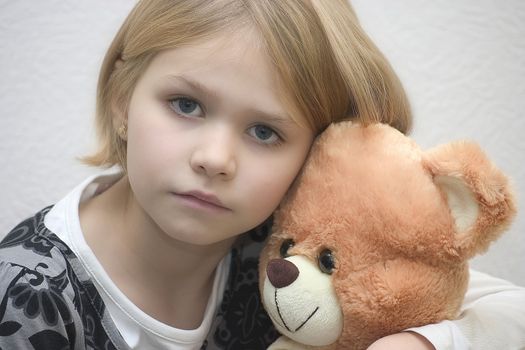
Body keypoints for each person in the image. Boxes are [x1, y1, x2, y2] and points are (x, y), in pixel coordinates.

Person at [0, 0, 523, 349]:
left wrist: (419, 341)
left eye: (265, 133)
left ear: (316, 154)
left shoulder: (277, 247)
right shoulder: (27, 298)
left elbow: (511, 311)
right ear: (121, 99)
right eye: (185, 104)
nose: (216, 158)